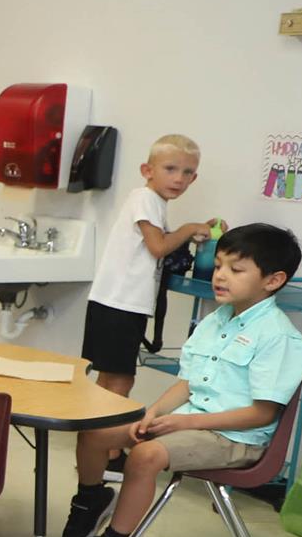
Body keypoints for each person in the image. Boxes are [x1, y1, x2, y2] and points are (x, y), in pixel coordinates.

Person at [49, 224, 302, 537]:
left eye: (235, 269)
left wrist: (184, 422)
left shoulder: (279, 337)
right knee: (96, 434)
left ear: (273, 280)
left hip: (236, 439)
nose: (220, 276)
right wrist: (152, 412)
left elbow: (261, 414)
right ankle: (90, 501)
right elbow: (188, 383)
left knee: (145, 455)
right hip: (191, 422)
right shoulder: (216, 320)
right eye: (218, 266)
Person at [85, 135, 217, 399]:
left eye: (187, 172)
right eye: (170, 169)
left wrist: (192, 232)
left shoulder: (151, 201)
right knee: (121, 380)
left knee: (109, 377)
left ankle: (97, 438)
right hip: (121, 303)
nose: (179, 178)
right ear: (148, 171)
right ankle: (105, 438)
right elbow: (158, 247)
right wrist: (189, 228)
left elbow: (159, 244)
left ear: (194, 178)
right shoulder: (145, 199)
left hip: (115, 302)